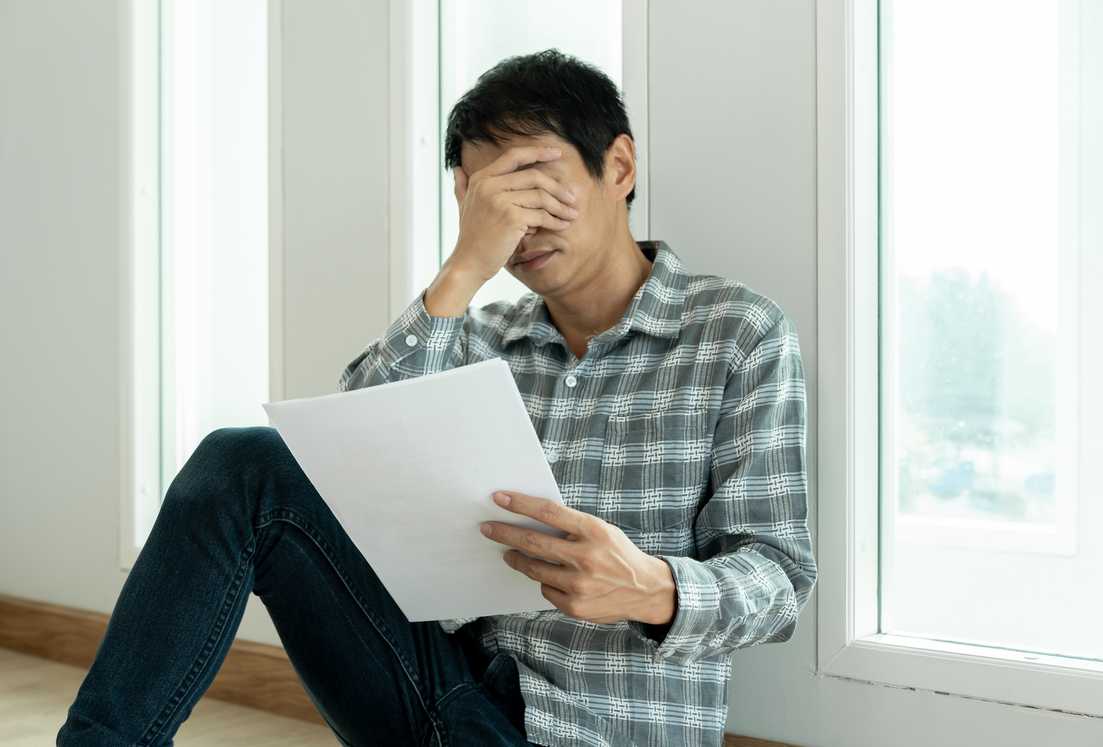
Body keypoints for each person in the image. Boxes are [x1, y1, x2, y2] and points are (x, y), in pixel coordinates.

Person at [58, 48, 816, 747]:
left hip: (600, 726)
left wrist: (651, 585)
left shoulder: (736, 333)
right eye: (494, 200)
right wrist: (462, 270)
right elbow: (336, 469)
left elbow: (779, 576)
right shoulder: (476, 334)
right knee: (244, 465)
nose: (520, 224)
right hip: (445, 695)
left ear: (617, 166)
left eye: (537, 184)